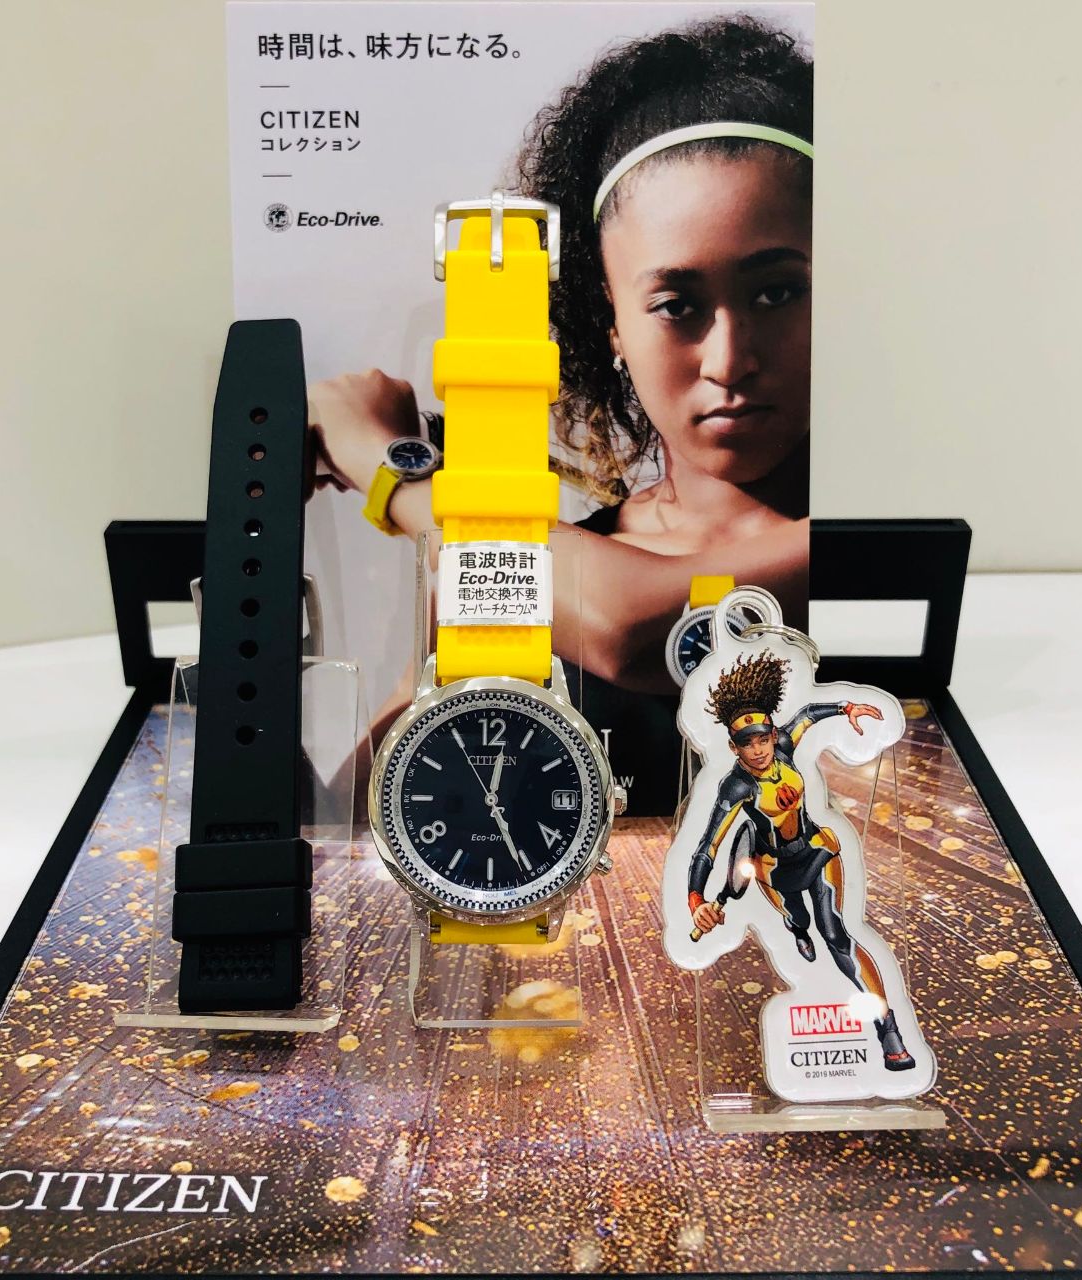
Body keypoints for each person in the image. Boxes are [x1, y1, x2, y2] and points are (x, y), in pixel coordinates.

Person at [310, 15, 813, 815]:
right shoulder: (555, 568)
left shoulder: (860, 541)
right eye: (676, 305)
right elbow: (360, 821)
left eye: (778, 292)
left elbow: (626, 625)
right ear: (610, 322)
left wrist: (394, 471)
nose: (729, 359)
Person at [685, 650, 916, 1072]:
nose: (757, 749)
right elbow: (707, 848)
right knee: (798, 919)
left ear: (772, 734)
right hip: (773, 871)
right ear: (733, 747)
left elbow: (809, 713)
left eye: (762, 738)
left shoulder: (786, 745)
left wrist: (847, 707)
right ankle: (797, 930)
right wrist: (696, 900)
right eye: (746, 743)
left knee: (837, 935)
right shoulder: (736, 788)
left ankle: (888, 1030)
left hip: (817, 851)